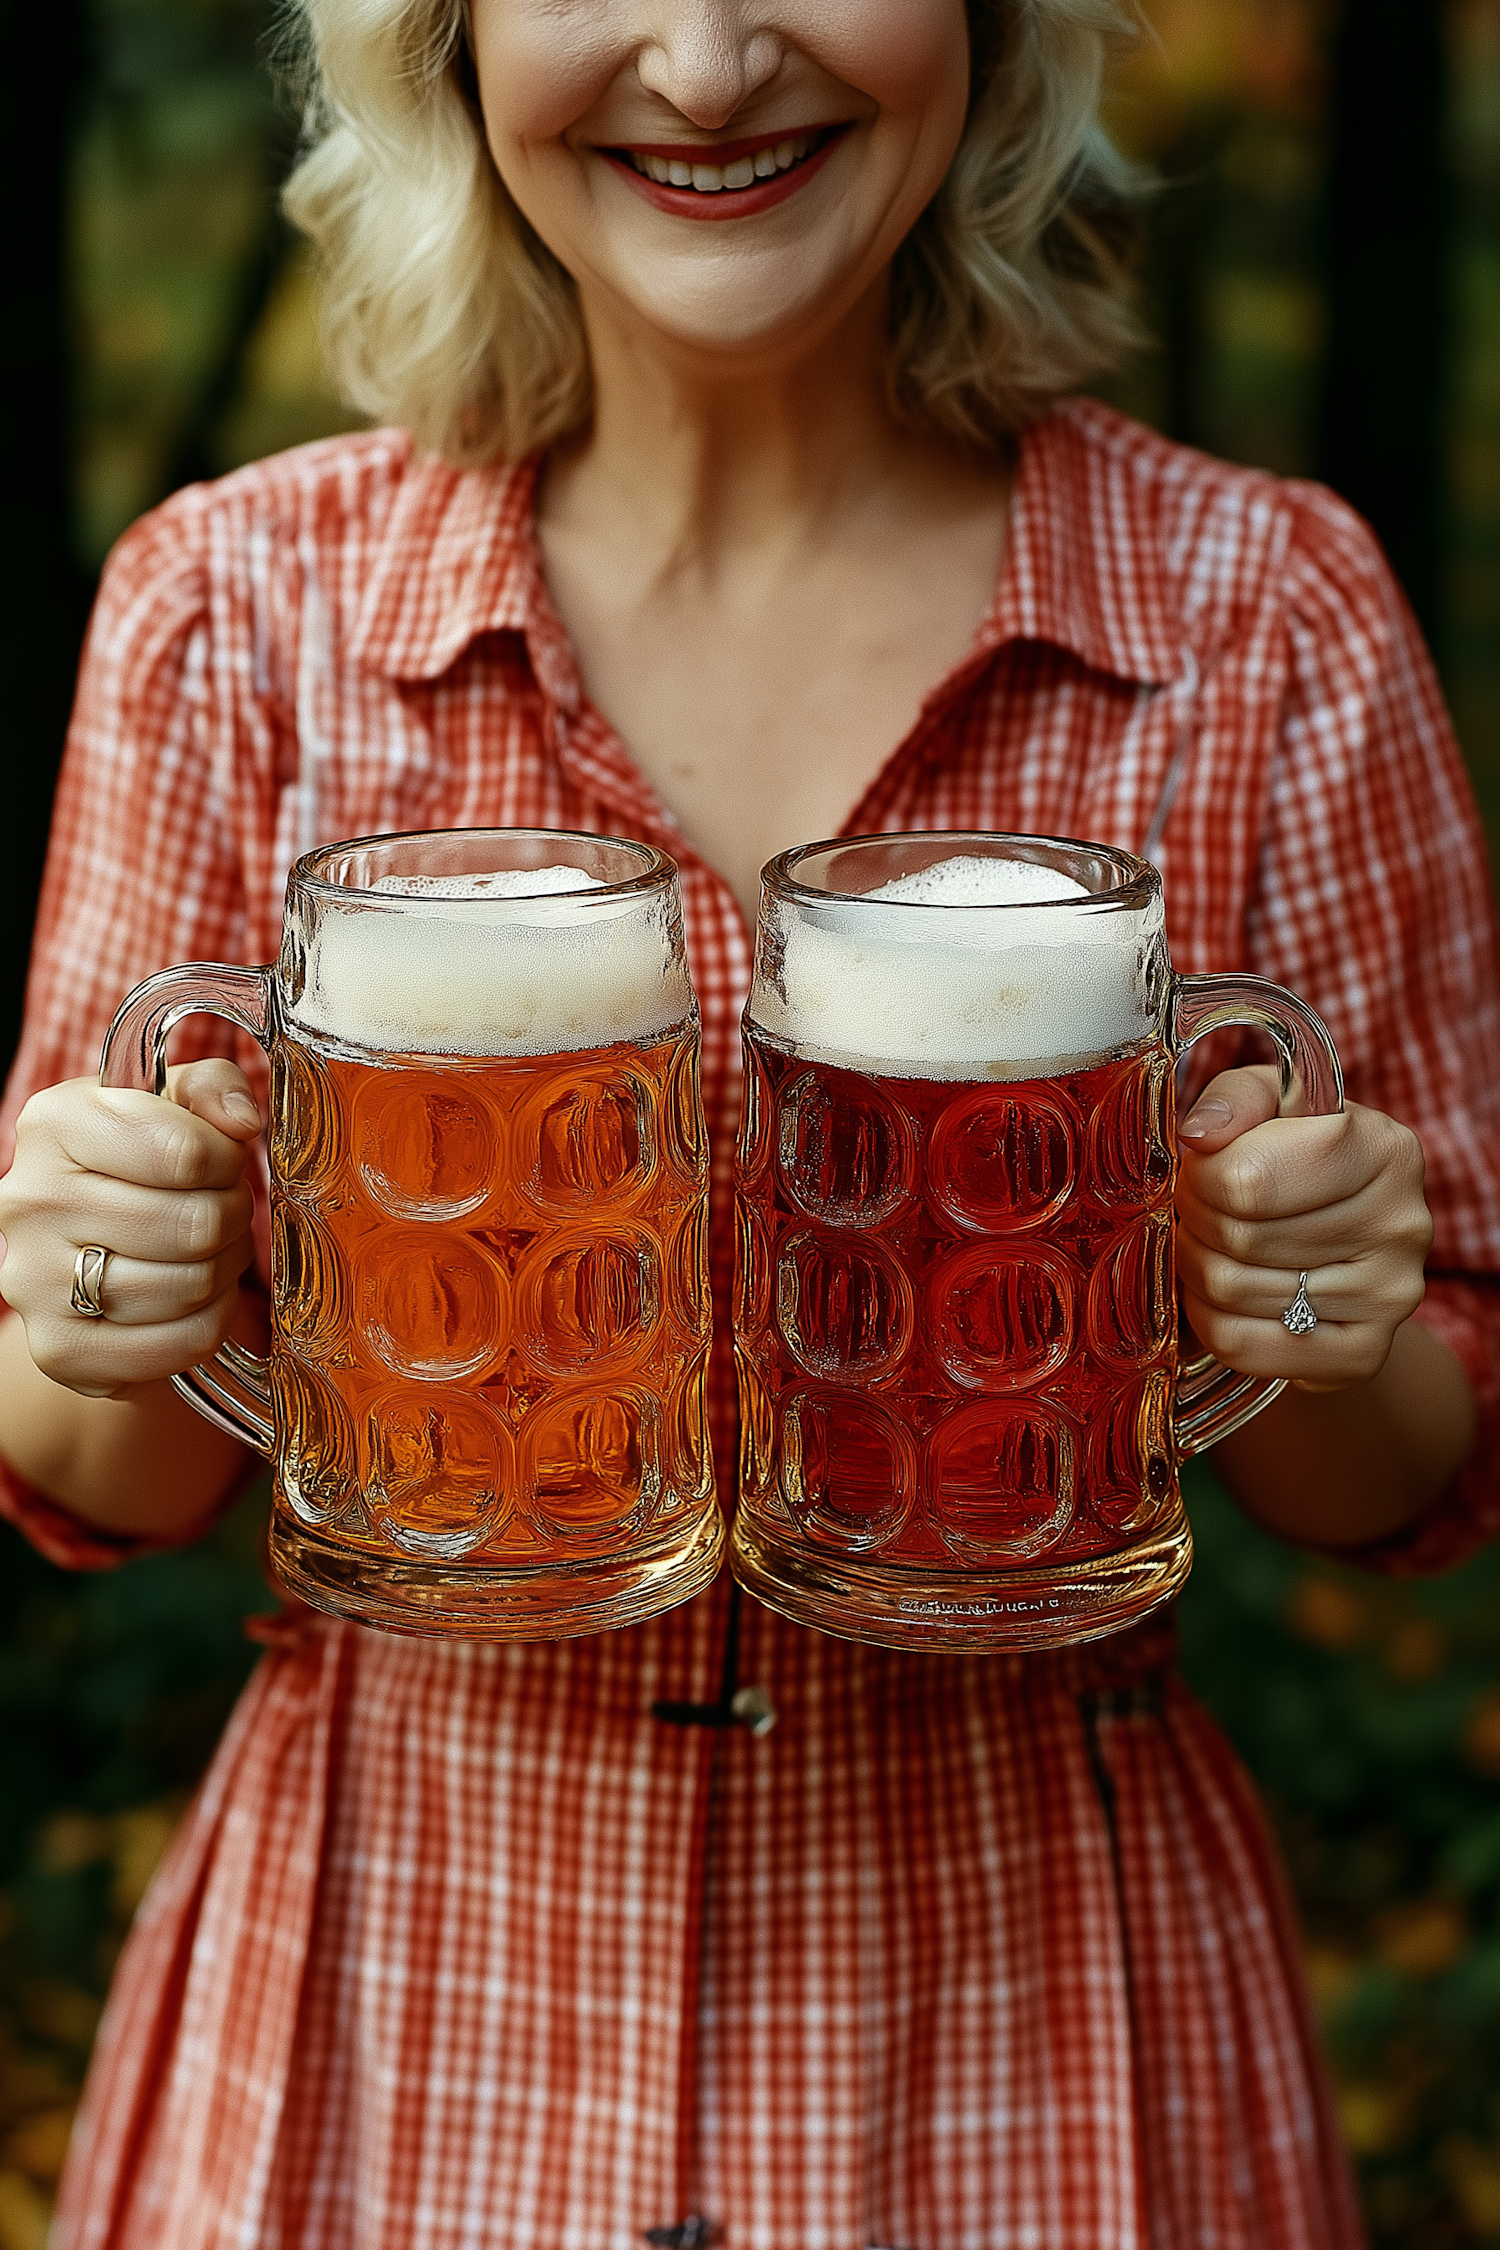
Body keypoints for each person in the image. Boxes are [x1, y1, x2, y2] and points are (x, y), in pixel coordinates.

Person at [0, 0, 1496, 2242]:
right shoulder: (229, 609)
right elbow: (96, 1477)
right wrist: (104, 1302)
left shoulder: (1266, 612)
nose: (705, 64)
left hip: (1034, 2036)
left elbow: (1419, 1476)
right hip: (399, 2013)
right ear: (451, 35)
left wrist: (1316, 1305)